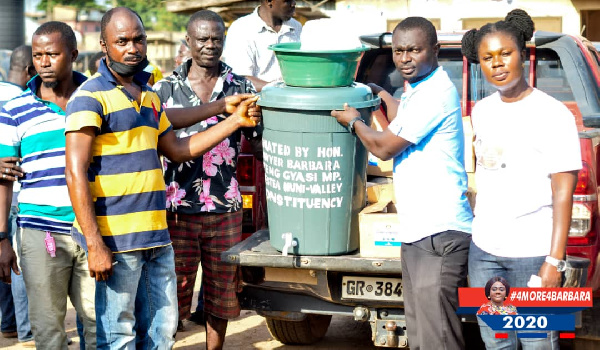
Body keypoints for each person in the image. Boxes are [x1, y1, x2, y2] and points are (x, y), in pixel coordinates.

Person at [64, 7, 260, 349]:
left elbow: (178, 150)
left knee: (160, 331)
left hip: (156, 235)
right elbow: (74, 171)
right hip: (116, 240)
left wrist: (234, 121)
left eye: (138, 39)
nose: (132, 48)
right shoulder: (90, 97)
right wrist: (95, 244)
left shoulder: (150, 96)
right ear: (104, 45)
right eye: (121, 41)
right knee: (119, 334)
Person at [331, 17, 473, 350]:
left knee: (438, 336)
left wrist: (353, 122)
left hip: (438, 235)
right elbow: (401, 116)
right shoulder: (420, 89)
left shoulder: (434, 93)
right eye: (398, 51)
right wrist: (380, 92)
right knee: (422, 335)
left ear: (434, 51)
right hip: (420, 234)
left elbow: (383, 145)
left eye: (414, 50)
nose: (404, 58)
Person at [461, 9, 581, 349]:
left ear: (524, 55)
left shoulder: (553, 113)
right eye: (488, 58)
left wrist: (554, 261)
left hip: (534, 253)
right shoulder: (481, 111)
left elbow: (563, 191)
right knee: (496, 341)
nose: (497, 64)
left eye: (505, 54)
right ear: (480, 64)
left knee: (538, 343)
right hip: (484, 253)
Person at [153, 10, 262, 348]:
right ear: (188, 41)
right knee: (173, 290)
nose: (210, 45)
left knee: (221, 290)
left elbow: (256, 142)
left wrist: (258, 125)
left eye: (216, 38)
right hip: (177, 208)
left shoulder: (241, 86)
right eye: (202, 39)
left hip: (224, 206)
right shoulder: (165, 88)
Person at [0, 22, 97, 350]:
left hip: (92, 229)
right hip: (39, 233)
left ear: (72, 55)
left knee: (99, 326)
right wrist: (1, 237)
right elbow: (4, 177)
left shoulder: (95, 98)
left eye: (52, 54)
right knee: (48, 331)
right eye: (38, 55)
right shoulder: (14, 110)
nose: (43, 61)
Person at [0, 45, 35, 345]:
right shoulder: (27, 100)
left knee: (2, 255)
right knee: (18, 264)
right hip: (19, 193)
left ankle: (9, 323)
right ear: (29, 71)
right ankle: (23, 328)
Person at [222, 0, 301, 91]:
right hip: (256, 101)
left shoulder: (297, 28)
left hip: (292, 98)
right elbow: (239, 79)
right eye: (287, 1)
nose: (293, 3)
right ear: (269, 1)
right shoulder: (242, 29)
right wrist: (279, 89)